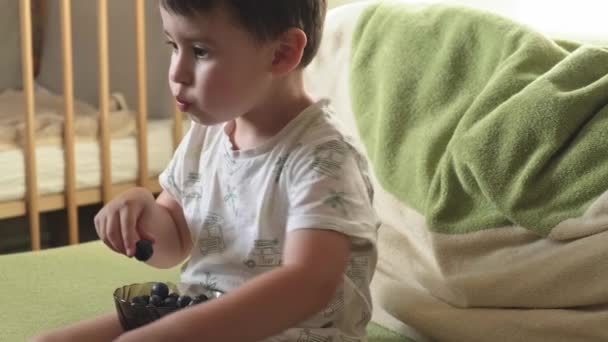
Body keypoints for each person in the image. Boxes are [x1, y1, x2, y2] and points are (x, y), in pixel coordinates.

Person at [32, 0, 378, 341]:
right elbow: (175, 240)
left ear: (281, 53)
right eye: (173, 45)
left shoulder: (324, 158)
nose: (176, 73)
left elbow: (309, 283)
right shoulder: (207, 134)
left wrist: (176, 332)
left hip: (293, 331)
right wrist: (142, 212)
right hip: (196, 312)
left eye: (199, 51)